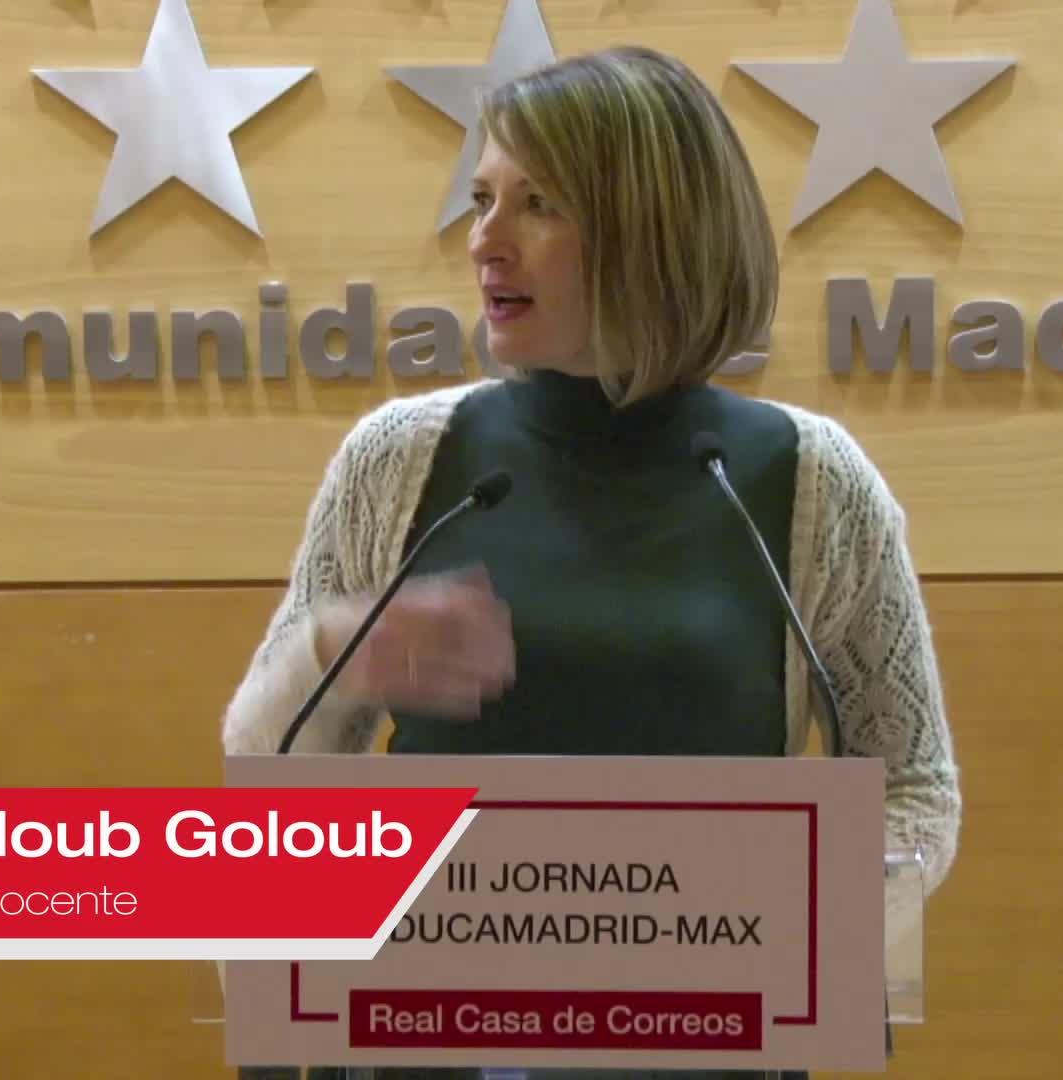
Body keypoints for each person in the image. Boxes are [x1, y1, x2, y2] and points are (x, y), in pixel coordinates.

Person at [221, 45, 959, 1080]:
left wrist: (785, 929)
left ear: (651, 228)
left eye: (538, 205)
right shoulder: (400, 461)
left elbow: (913, 783)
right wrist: (328, 655)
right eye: (482, 200)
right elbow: (266, 776)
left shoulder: (810, 480)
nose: (485, 241)